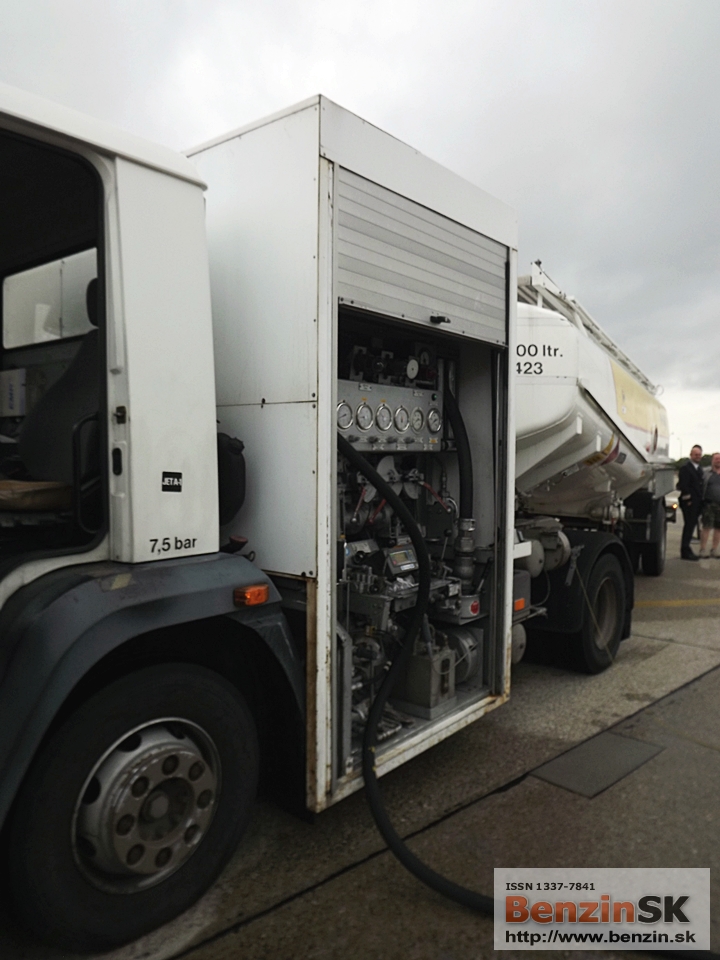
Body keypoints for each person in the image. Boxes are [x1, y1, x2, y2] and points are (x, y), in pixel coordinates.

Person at [678, 444, 704, 560]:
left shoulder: (699, 469)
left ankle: (687, 548)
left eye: (699, 454)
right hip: (689, 503)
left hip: (697, 502)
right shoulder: (686, 468)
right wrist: (688, 501)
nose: (698, 456)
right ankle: (685, 550)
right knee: (689, 526)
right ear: (691, 455)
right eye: (695, 454)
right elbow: (683, 486)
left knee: (692, 526)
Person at [700, 452, 720, 558]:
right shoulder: (706, 472)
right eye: (716, 459)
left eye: (719, 459)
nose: (718, 461)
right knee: (706, 527)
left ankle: (714, 549)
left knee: (718, 528)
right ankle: (703, 549)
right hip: (708, 504)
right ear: (712, 460)